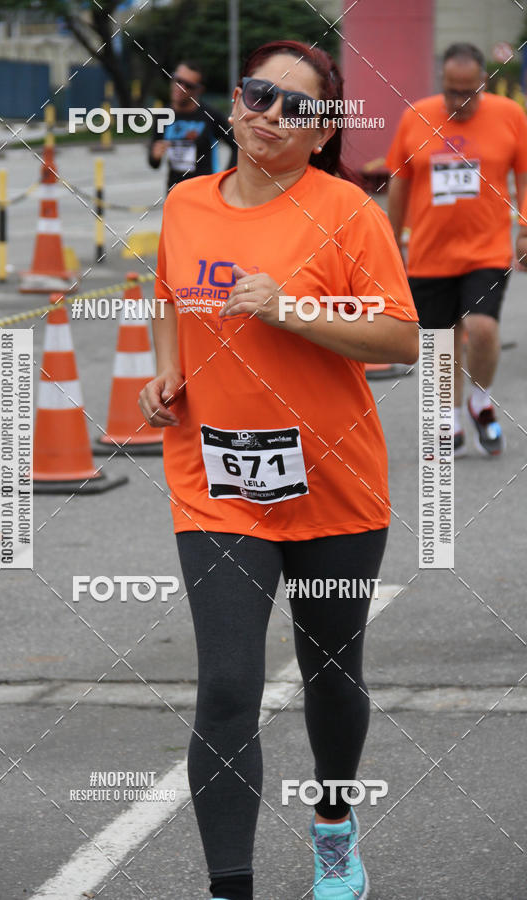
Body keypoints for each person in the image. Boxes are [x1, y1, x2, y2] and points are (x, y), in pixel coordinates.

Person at [139, 40, 418, 900]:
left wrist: (294, 311)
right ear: (236, 97)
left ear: (321, 130)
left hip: (335, 487)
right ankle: (232, 888)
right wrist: (165, 369)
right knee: (226, 685)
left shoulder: (348, 212)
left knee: (333, 677)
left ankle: (333, 823)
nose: (269, 113)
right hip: (217, 484)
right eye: (259, 93)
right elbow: (165, 294)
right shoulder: (187, 204)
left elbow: (402, 336)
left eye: (296, 106)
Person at [386, 42, 527, 457]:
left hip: (486, 249)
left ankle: (480, 402)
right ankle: (449, 415)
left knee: (481, 328)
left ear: (484, 82)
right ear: (441, 82)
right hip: (430, 252)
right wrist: (392, 238)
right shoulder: (416, 116)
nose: (458, 101)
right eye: (451, 91)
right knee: (441, 341)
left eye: (468, 92)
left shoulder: (510, 116)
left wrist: (523, 229)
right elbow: (399, 179)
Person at [148, 60, 238, 192]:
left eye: (188, 85)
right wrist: (155, 156)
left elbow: (237, 145)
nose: (180, 87)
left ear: (199, 89)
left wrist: (226, 179)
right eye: (178, 81)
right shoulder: (163, 115)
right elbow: (153, 163)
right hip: (175, 192)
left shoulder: (210, 115)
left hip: (205, 193)